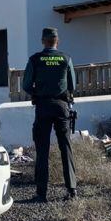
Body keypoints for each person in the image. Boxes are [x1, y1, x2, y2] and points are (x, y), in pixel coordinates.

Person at [21, 27, 77, 202]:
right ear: (57, 41)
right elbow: (72, 85)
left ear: (43, 41)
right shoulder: (66, 58)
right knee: (65, 147)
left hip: (43, 106)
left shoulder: (35, 59)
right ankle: (71, 190)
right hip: (62, 106)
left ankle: (41, 193)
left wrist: (37, 92)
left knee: (42, 150)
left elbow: (26, 85)